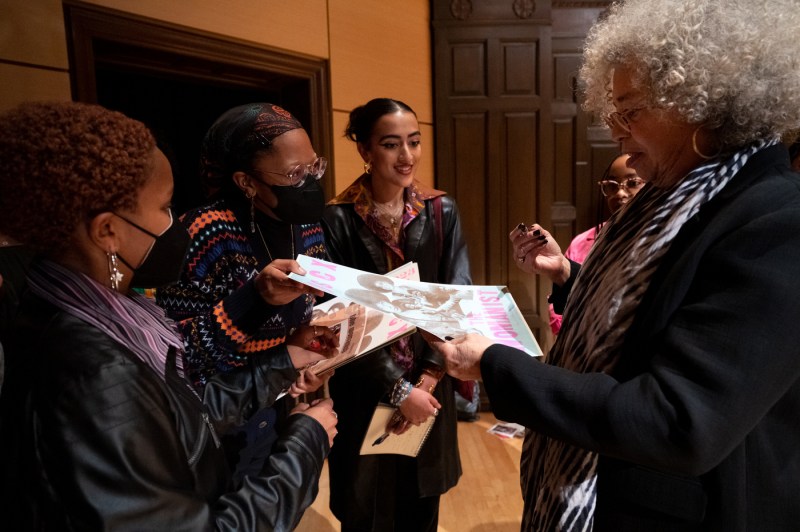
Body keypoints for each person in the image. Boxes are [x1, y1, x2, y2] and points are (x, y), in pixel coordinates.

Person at [430, 1, 800, 530]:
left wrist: (494, 365)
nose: (614, 129)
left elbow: (679, 422)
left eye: (630, 110)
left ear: (702, 103)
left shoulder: (780, 221)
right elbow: (657, 313)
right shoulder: (674, 197)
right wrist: (568, 277)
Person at [0, 101, 338, 529]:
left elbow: (183, 415)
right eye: (165, 208)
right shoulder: (97, 375)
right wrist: (304, 445)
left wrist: (283, 363)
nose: (175, 223)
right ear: (108, 231)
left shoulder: (99, 315)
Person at [156, 102, 338, 485]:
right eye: (294, 173)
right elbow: (179, 353)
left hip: (283, 405)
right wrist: (253, 300)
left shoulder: (309, 229)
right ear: (247, 182)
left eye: (314, 167)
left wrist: (308, 362)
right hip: (217, 426)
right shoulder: (203, 234)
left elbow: (306, 317)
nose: (309, 182)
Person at [321, 98, 472, 531]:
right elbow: (342, 318)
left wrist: (425, 377)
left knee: (419, 505)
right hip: (366, 384)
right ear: (365, 151)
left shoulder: (442, 210)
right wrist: (397, 387)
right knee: (365, 507)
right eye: (391, 144)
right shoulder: (337, 219)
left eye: (414, 142)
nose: (406, 156)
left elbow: (455, 295)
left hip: (430, 384)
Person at [545, 153, 644, 334]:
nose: (620, 193)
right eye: (612, 186)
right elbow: (559, 299)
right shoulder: (583, 241)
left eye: (633, 183)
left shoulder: (659, 240)